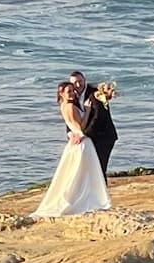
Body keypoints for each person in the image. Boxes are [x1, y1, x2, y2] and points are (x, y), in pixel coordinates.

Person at [33, 78, 112, 219]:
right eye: (69, 91)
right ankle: (79, 199)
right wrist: (87, 111)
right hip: (82, 142)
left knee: (81, 173)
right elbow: (80, 126)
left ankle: (83, 196)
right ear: (61, 93)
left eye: (73, 91)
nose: (73, 93)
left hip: (79, 141)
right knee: (81, 174)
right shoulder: (69, 107)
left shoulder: (66, 105)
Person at [69, 69, 119, 174]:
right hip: (88, 137)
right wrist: (70, 133)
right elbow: (72, 116)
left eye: (80, 81)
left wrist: (84, 134)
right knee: (88, 168)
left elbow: (98, 117)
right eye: (75, 83)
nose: (78, 85)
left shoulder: (96, 94)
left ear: (84, 80)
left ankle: (102, 190)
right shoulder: (73, 96)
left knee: (99, 168)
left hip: (103, 136)